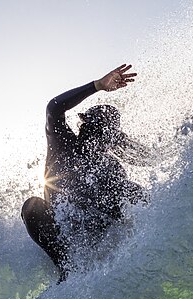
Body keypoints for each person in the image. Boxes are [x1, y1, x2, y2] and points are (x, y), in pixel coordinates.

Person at [21, 64, 147, 281]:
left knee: (131, 189)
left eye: (103, 134)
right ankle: (67, 271)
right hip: (63, 235)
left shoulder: (109, 166)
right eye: (90, 127)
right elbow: (54, 108)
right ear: (84, 126)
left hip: (99, 233)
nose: (94, 136)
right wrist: (97, 86)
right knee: (32, 206)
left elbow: (152, 159)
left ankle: (142, 247)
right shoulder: (63, 144)